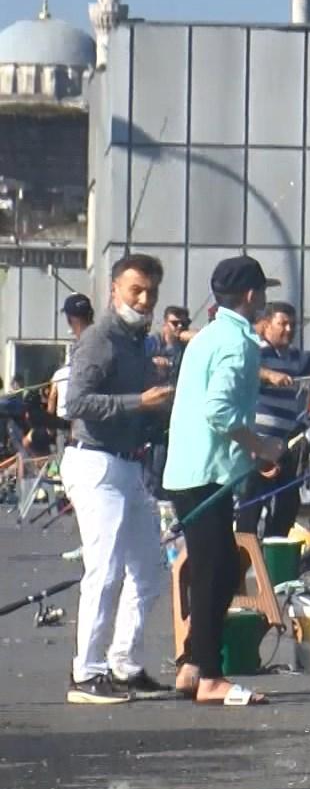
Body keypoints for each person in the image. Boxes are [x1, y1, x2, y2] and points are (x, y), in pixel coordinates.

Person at [162, 256, 286, 706]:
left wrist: (249, 454)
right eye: (263, 292)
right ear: (251, 296)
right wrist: (261, 446)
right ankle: (211, 675)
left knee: (216, 567)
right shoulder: (240, 342)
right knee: (216, 572)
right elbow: (219, 411)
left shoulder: (208, 336)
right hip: (207, 474)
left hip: (189, 469)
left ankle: (194, 664)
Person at [60, 253, 175, 704]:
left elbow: (143, 407)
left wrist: (161, 409)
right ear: (115, 289)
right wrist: (138, 402)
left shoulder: (139, 343)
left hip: (129, 464)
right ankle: (85, 673)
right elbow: (76, 402)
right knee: (104, 569)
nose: (144, 300)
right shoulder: (99, 338)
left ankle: (124, 664)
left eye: (151, 292)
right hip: (94, 462)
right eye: (136, 290)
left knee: (148, 568)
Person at [237, 303, 310, 539]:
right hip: (258, 445)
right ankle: (243, 557)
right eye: (283, 324)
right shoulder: (257, 352)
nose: (289, 329)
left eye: (293, 324)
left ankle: (273, 552)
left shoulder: (296, 357)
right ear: (268, 325)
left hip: (284, 446)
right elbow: (247, 368)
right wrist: (269, 375)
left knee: (287, 504)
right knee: (251, 505)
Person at [50, 293, 94, 421]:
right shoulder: (103, 338)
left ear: (70, 319)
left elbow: (79, 396)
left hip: (85, 423)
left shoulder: (83, 348)